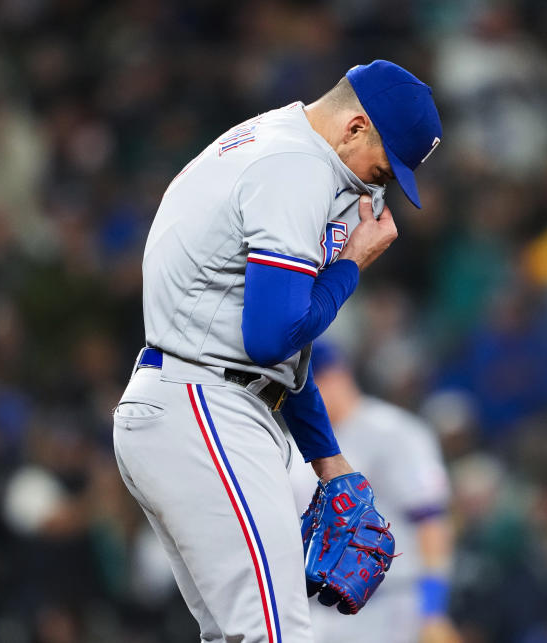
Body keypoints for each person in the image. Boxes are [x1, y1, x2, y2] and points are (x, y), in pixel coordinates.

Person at [111, 60, 443, 643]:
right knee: (276, 634)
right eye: (384, 169)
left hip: (193, 398)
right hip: (205, 406)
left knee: (243, 635)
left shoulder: (276, 141)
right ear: (356, 127)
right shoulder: (297, 167)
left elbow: (274, 357)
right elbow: (269, 338)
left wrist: (326, 459)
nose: (378, 186)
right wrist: (349, 268)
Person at [287, 342, 458, 643]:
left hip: (388, 607)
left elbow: (431, 522)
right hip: (313, 613)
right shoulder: (292, 443)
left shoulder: (393, 431)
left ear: (338, 376)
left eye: (312, 383)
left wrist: (433, 610)